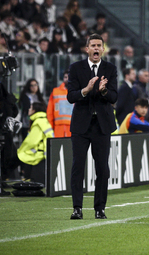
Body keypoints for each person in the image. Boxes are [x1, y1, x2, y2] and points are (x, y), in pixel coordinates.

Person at [67, 33, 118, 220]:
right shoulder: (76, 68)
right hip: (81, 126)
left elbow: (114, 96)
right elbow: (71, 96)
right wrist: (86, 90)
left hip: (102, 126)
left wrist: (104, 91)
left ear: (103, 49)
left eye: (99, 45)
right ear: (87, 49)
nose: (96, 48)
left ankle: (99, 208)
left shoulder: (110, 69)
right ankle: (77, 208)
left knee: (102, 168)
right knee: (78, 166)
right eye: (93, 45)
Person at [17, 102, 54, 184]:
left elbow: (31, 141)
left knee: (18, 156)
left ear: (34, 110)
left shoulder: (38, 122)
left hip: (38, 155)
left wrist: (20, 150)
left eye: (30, 108)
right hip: (44, 154)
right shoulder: (44, 120)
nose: (29, 109)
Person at [47, 71, 73, 137]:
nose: (67, 79)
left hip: (73, 127)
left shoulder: (78, 92)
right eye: (65, 77)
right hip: (58, 127)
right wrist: (50, 126)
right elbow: (50, 111)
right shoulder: (55, 92)